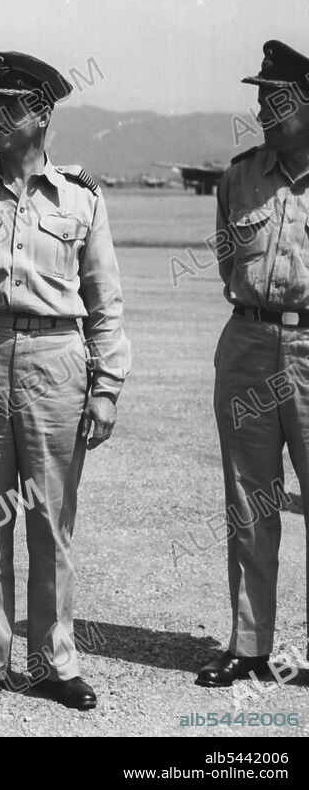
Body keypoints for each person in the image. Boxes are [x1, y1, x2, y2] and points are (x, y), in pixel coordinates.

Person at [0, 51, 129, 711]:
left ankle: (52, 658)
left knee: (50, 521)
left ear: (41, 116)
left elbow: (105, 301)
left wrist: (105, 385)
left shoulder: (82, 199)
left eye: (8, 108)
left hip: (55, 363)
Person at [196, 40, 309, 688]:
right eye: (262, 98)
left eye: (280, 98)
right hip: (247, 341)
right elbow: (226, 262)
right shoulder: (239, 177)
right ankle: (249, 644)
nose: (266, 109)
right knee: (249, 499)